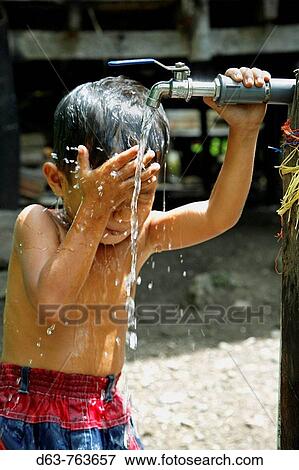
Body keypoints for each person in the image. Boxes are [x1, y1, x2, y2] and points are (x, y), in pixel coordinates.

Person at [0, 67, 270, 450]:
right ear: (57, 179)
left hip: (108, 411)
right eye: (106, 196)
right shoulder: (40, 224)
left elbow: (218, 215)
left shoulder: (141, 233)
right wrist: (92, 214)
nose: (119, 213)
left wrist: (245, 132)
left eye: (137, 195)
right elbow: (52, 303)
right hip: (32, 416)